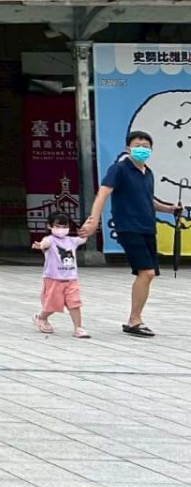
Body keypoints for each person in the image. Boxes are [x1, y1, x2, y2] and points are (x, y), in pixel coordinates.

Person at [82, 130, 176, 338]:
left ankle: (135, 318)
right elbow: (103, 193)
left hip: (147, 227)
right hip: (128, 227)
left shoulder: (148, 172)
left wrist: (170, 210)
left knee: (148, 274)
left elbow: (148, 200)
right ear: (128, 148)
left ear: (151, 150)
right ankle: (135, 320)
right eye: (137, 145)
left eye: (146, 146)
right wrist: (94, 219)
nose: (142, 149)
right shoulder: (120, 169)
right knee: (147, 272)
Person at [31, 214, 88, 338]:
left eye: (64, 226)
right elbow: (44, 244)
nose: (61, 229)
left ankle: (78, 328)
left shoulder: (71, 240)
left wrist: (86, 227)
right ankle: (41, 317)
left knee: (74, 303)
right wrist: (40, 245)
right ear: (50, 226)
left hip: (71, 279)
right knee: (53, 305)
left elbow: (83, 238)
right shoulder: (50, 239)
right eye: (58, 226)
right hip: (53, 279)